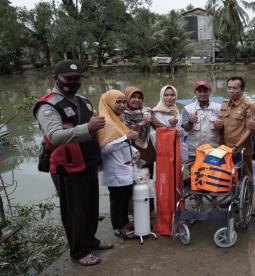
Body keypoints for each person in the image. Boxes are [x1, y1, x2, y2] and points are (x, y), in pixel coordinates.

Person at [33, 60, 111, 266]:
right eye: (69, 79)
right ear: (55, 79)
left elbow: (93, 132)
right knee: (75, 211)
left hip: (88, 163)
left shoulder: (83, 101)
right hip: (66, 167)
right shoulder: (48, 105)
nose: (74, 82)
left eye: (77, 79)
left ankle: (91, 241)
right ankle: (79, 251)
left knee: (91, 207)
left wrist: (97, 158)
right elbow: (55, 136)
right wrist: (88, 127)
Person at [97, 90, 140, 240]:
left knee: (125, 195)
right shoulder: (105, 122)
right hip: (114, 168)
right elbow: (104, 149)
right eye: (118, 102)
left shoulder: (117, 120)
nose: (122, 105)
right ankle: (118, 227)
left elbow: (123, 141)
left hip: (124, 165)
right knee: (117, 199)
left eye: (123, 102)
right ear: (109, 102)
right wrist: (125, 138)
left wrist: (135, 150)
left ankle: (125, 223)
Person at [214, 76, 255, 180]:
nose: (231, 91)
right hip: (226, 149)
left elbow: (249, 129)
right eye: (229, 88)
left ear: (242, 90)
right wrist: (216, 125)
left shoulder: (248, 106)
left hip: (242, 150)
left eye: (235, 88)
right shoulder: (224, 105)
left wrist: (237, 146)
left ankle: (248, 196)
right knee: (229, 177)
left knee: (246, 177)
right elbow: (220, 126)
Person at [124, 86, 165, 178]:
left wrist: (173, 130)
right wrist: (143, 123)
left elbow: (159, 126)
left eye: (139, 97)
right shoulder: (121, 114)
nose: (137, 100)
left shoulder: (146, 111)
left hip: (147, 150)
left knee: (148, 178)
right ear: (127, 98)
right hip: (129, 152)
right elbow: (126, 133)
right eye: (133, 97)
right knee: (132, 181)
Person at [181, 80, 221, 157]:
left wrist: (220, 126)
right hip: (194, 152)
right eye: (199, 91)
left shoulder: (219, 108)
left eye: (205, 91)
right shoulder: (187, 109)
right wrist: (190, 122)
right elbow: (186, 129)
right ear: (195, 93)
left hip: (214, 151)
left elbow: (224, 129)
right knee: (194, 169)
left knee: (213, 169)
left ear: (210, 92)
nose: (202, 94)